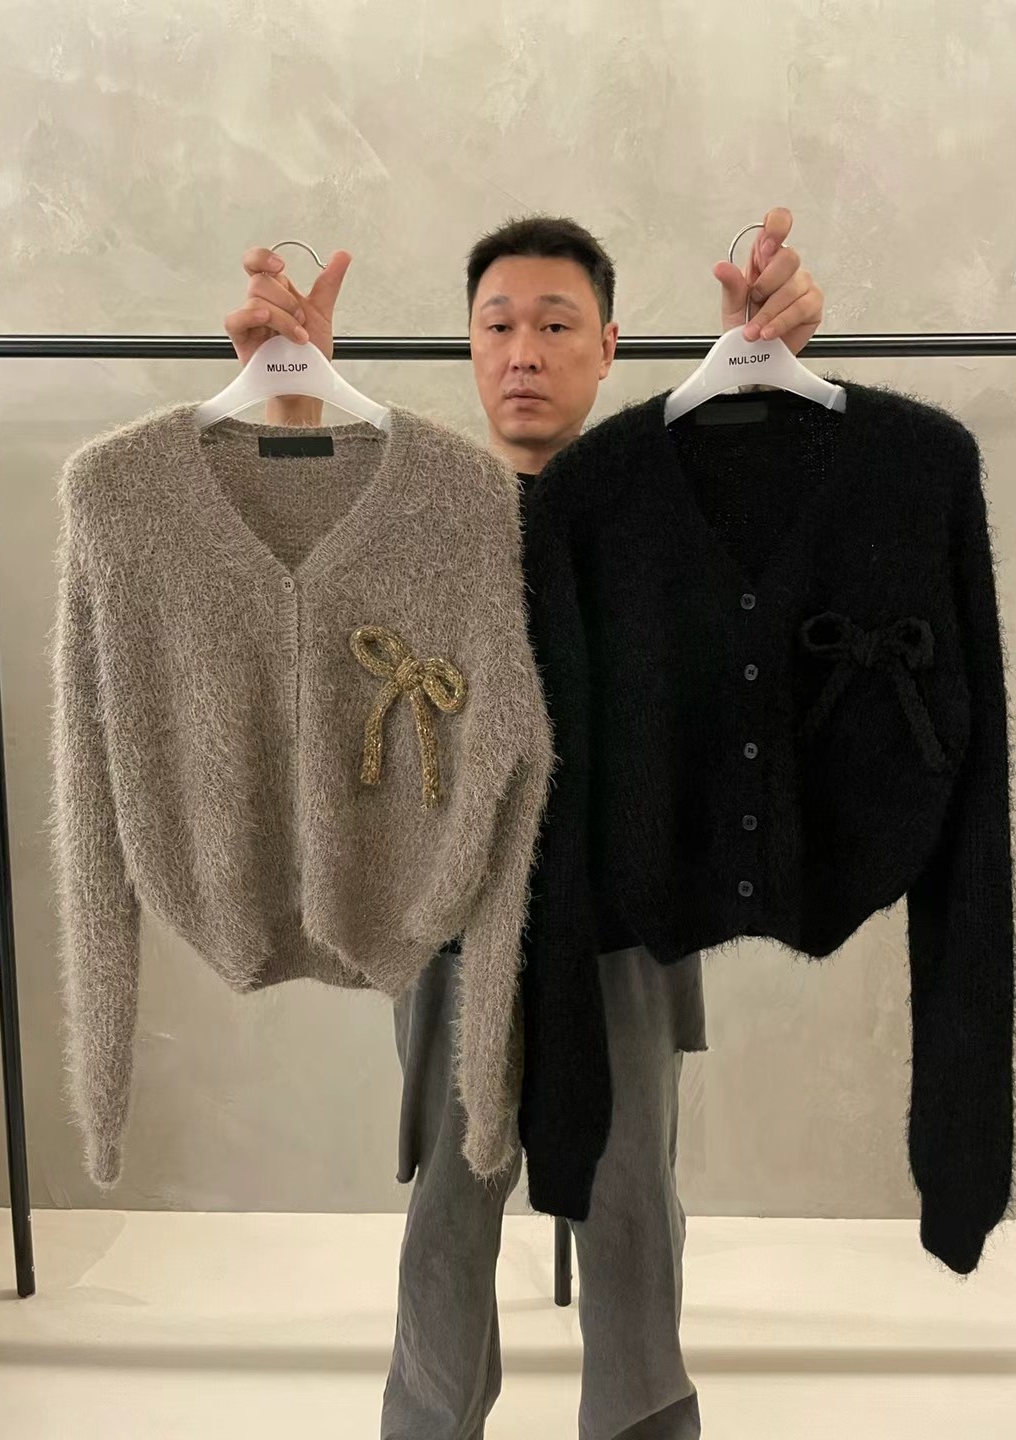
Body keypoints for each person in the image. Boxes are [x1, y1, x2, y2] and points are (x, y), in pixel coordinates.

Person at [225, 210, 826, 1439]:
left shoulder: (671, 508)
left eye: (557, 325)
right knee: (451, 1203)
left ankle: (642, 1419)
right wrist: (291, 409)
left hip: (627, 924)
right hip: (452, 925)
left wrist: (762, 383)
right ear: (468, 345)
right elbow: (288, 598)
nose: (525, 351)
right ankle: (429, 1420)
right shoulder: (405, 513)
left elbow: (778, 564)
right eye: (498, 325)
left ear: (610, 345)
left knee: (630, 1201)